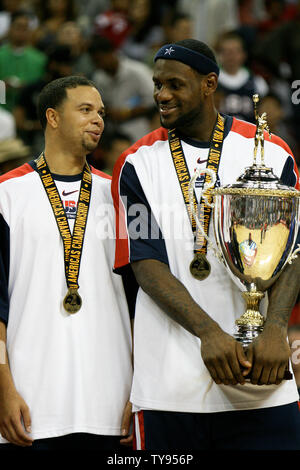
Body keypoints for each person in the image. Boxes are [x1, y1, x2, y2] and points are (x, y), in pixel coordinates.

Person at [111, 39, 300, 451]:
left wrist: (274, 328)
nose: (161, 94)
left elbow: (294, 254)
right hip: (170, 386)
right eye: (158, 84)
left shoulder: (269, 151)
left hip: (262, 378)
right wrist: (209, 333)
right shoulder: (137, 163)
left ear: (209, 83)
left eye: (175, 84)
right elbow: (145, 263)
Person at [0, 76, 133, 450]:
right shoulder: (6, 194)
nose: (98, 120)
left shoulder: (120, 196)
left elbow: (142, 301)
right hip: (29, 407)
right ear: (53, 118)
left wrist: (142, 388)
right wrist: (3, 387)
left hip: (109, 404)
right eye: (86, 110)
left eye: (102, 113)